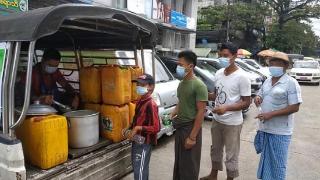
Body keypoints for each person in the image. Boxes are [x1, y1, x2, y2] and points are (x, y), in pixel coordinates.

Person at [201, 42, 251, 180]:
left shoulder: (242, 77)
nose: (222, 58)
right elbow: (216, 95)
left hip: (233, 123)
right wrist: (201, 94)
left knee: (231, 154)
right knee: (215, 149)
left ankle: (230, 178)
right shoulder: (218, 73)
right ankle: (213, 175)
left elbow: (247, 102)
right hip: (217, 120)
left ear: (234, 56)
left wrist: (226, 108)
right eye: (220, 55)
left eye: (226, 56)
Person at [254, 52, 302, 180]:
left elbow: (295, 107)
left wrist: (271, 114)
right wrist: (258, 98)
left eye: (279, 63)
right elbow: (261, 94)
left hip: (280, 132)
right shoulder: (268, 80)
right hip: (265, 128)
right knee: (266, 162)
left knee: (278, 165)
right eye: (272, 62)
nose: (274, 65)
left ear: (285, 66)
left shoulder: (291, 83)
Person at [171, 50, 208, 180]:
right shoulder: (181, 84)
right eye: (178, 64)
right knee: (180, 163)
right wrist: (175, 111)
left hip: (191, 128)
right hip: (181, 128)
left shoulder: (199, 85)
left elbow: (201, 112)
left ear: (191, 66)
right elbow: (181, 101)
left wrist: (192, 137)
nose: (178, 67)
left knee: (189, 166)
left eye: (181, 64)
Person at [126, 74, 160, 180]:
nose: (138, 86)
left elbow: (156, 127)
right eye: (138, 84)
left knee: (140, 170)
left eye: (142, 84)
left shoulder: (151, 104)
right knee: (138, 167)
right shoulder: (140, 101)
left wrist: (138, 128)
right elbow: (137, 118)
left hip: (145, 142)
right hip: (138, 140)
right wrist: (130, 128)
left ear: (150, 86)